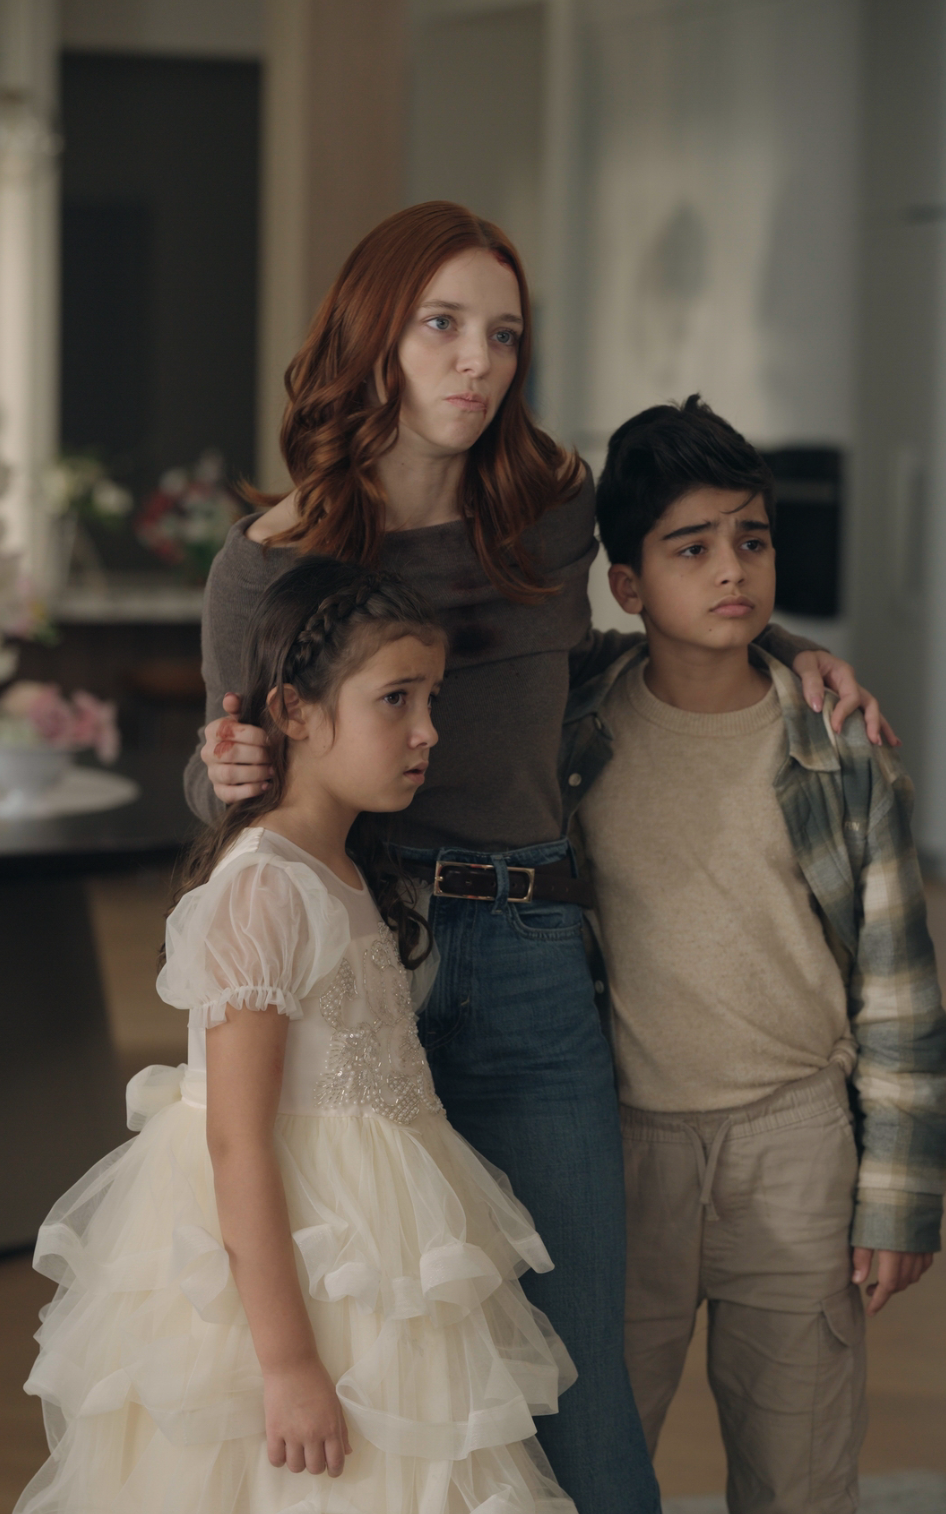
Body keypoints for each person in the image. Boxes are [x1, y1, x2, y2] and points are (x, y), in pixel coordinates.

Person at [183, 201, 888, 1511]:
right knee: (394, 1366)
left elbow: (675, 585)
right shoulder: (268, 562)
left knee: (573, 1377)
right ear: (373, 337)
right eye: (441, 325)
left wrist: (792, 650)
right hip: (355, 974)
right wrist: (215, 773)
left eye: (502, 334)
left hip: (532, 959)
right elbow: (231, 780)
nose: (476, 361)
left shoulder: (551, 510)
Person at [16, 558, 583, 1514]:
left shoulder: (345, 870)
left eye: (431, 698)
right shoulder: (266, 885)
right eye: (395, 699)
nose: (428, 730)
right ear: (295, 711)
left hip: (376, 1239)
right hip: (297, 1259)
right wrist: (285, 1365)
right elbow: (235, 1139)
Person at [561, 395, 946, 1514]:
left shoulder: (840, 750)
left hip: (796, 1145)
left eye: (752, 538)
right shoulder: (575, 736)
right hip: (625, 1151)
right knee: (595, 1459)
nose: (732, 568)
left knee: (801, 1473)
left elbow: (900, 991)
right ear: (627, 584)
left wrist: (898, 1197)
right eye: (692, 547)